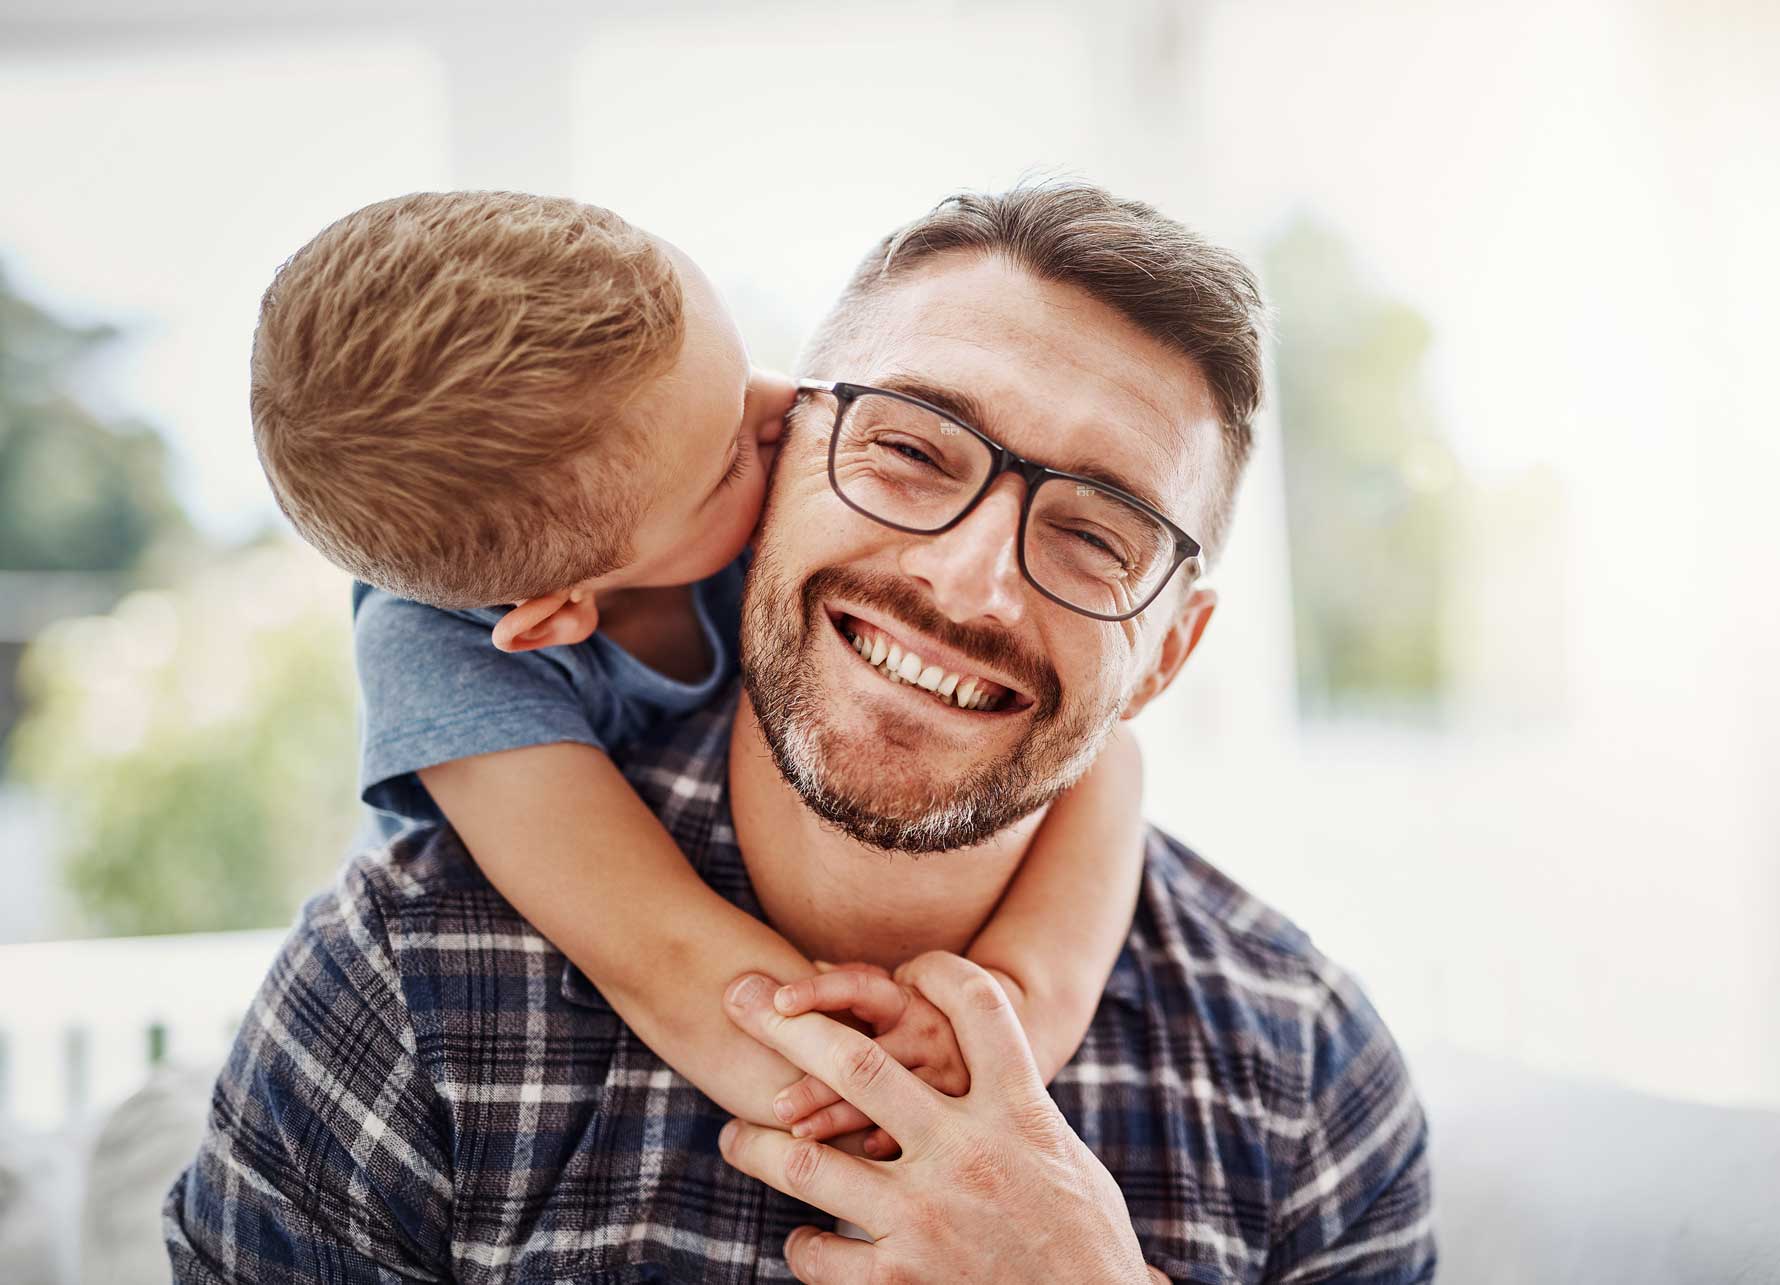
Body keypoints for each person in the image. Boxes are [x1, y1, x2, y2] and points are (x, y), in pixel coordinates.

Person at [166, 182, 1434, 1282]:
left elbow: (1112, 766)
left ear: (1168, 651)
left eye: (1095, 530)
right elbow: (655, 949)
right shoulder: (403, 977)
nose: (968, 581)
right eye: (910, 449)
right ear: (803, 466)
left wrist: (1025, 1053)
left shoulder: (1308, 1075)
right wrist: (858, 1089)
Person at [245, 190, 1149, 1153]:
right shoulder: (436, 659)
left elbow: (1111, 754)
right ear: (558, 614)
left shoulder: (737, 493)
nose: (789, 406)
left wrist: (1017, 1004)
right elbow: (666, 959)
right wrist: (897, 1082)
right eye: (731, 453)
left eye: (743, 364)